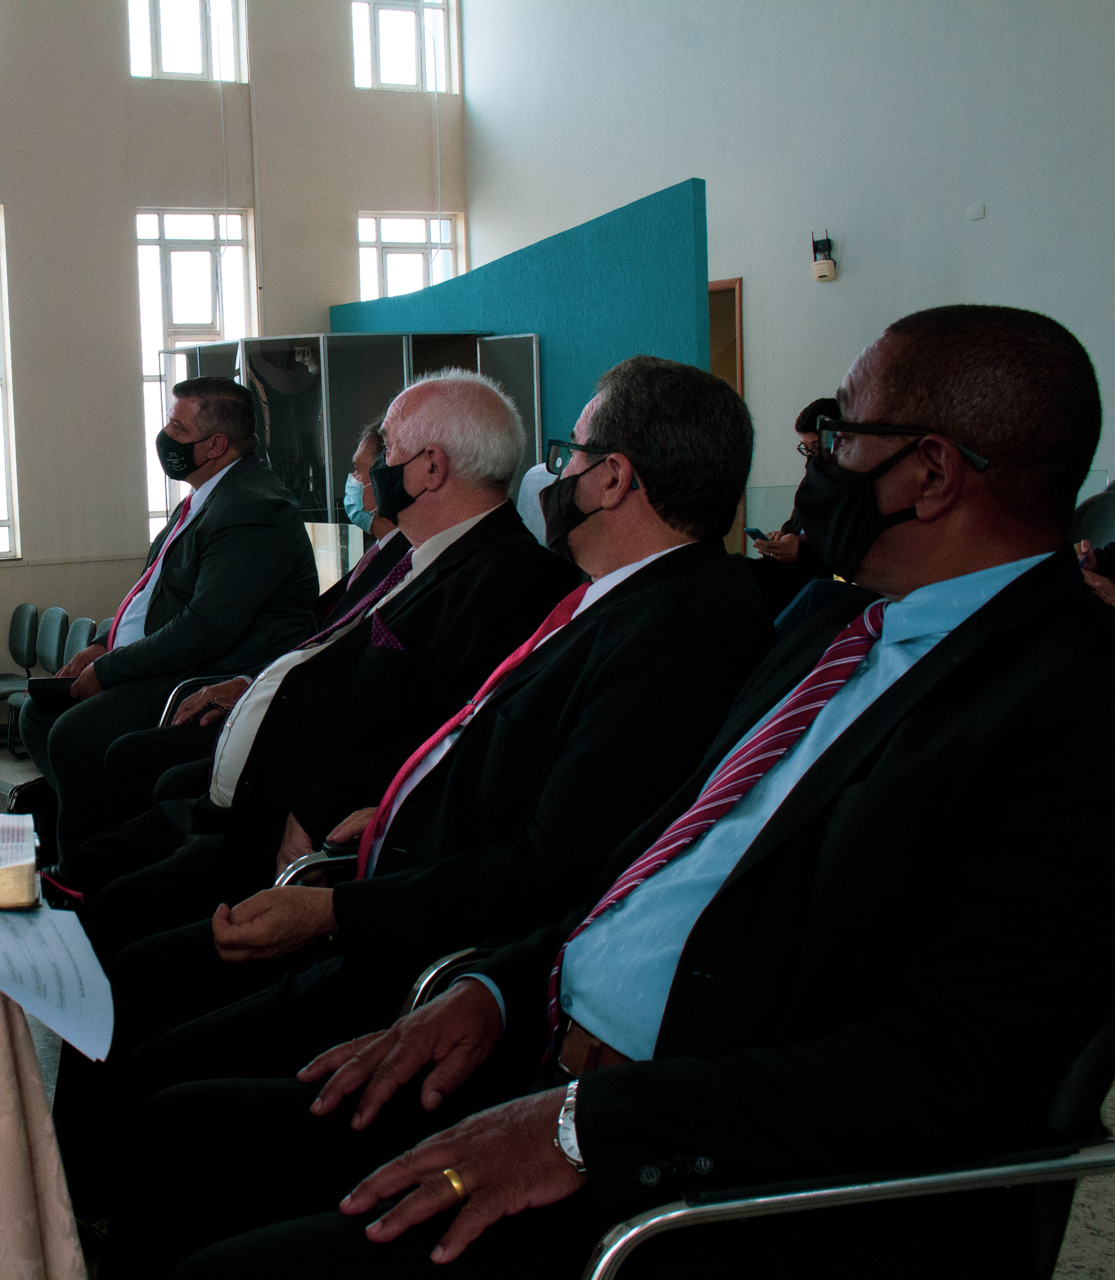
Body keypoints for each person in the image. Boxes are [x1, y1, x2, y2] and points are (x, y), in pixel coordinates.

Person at [119, 305, 1115, 1280]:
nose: (816, 457)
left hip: (699, 1165)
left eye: (841, 429)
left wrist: (589, 1126)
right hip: (545, 1040)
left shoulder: (1072, 701)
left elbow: (957, 1066)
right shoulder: (831, 625)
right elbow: (654, 860)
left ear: (931, 473)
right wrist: (497, 989)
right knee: (184, 1136)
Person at [63, 356, 773, 1245]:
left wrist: (340, 908)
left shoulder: (677, 628)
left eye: (571, 455)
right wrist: (388, 810)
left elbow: (554, 865)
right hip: (383, 883)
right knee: (149, 1025)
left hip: (428, 947)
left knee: (171, 1107)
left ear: (613, 479)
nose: (554, 475)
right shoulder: (622, 599)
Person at [63, 370, 582, 966]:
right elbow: (324, 646)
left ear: (431, 468)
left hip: (297, 838)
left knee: (116, 939)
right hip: (249, 799)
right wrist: (250, 685)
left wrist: (316, 806)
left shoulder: (511, 580)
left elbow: (445, 736)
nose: (373, 470)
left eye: (388, 450)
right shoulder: (415, 550)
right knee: (88, 879)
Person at [20, 377, 318, 858]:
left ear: (216, 445)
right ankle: (102, 839)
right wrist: (102, 643)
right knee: (39, 716)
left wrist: (110, 668)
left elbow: (205, 628)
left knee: (73, 737)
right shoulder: (205, 495)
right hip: (166, 660)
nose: (165, 437)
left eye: (178, 429)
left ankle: (89, 869)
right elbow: (152, 591)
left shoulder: (253, 506)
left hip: (203, 674)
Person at [96, 422, 417, 832]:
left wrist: (252, 687)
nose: (350, 484)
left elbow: (343, 668)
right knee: (139, 763)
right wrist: (247, 683)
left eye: (357, 471)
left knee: (130, 759)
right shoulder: (376, 557)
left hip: (302, 724)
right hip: (265, 691)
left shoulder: (405, 565)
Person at [748, 396, 838, 616]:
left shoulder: (850, 486)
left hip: (816, 578)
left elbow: (847, 550)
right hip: (792, 570)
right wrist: (781, 538)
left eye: (815, 448)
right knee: (735, 571)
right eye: (806, 449)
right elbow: (795, 524)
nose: (811, 458)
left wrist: (801, 553)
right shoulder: (811, 479)